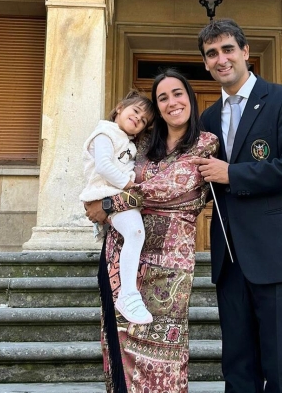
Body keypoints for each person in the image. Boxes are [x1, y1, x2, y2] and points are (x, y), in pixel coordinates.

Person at [192, 18, 282, 393]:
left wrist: (234, 174)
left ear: (246, 52)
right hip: (230, 259)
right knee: (238, 369)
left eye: (228, 49)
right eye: (212, 54)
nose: (221, 59)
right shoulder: (208, 117)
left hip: (279, 255)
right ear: (205, 62)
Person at [85, 69, 218, 392]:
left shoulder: (205, 143)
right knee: (117, 346)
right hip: (121, 256)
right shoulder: (141, 142)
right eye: (162, 97)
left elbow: (174, 187)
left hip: (171, 263)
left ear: (190, 98)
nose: (172, 102)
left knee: (164, 356)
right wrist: (101, 201)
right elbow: (101, 169)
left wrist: (105, 206)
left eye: (178, 93)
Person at [79, 90, 155, 324]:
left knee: (135, 234)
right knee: (134, 233)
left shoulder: (129, 142)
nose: (138, 120)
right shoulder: (105, 133)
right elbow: (102, 166)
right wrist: (129, 185)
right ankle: (128, 294)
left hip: (116, 194)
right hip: (106, 192)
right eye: (135, 112)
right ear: (120, 108)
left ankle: (128, 293)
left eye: (143, 121)